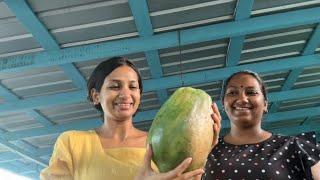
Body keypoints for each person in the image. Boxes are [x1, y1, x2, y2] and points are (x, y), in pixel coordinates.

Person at [40, 57, 206, 180]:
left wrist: (203, 146)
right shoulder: (72, 143)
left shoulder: (159, 144)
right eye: (115, 86)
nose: (126, 94)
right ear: (96, 96)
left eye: (133, 87)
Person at [202, 70, 320, 180]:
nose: (242, 98)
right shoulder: (206, 151)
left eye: (251, 92)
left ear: (265, 104)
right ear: (223, 104)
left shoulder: (295, 146)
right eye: (232, 93)